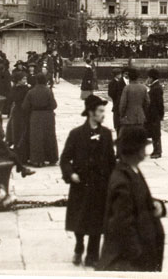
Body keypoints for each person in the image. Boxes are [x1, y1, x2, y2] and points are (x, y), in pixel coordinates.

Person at [97, 127, 166, 272]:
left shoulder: (132, 170)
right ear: (137, 150)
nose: (145, 151)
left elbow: (139, 197)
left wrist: (157, 204)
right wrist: (139, 255)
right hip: (130, 261)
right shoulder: (122, 180)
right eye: (144, 147)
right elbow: (122, 224)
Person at [60, 95, 116, 268]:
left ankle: (92, 255)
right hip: (81, 184)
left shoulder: (106, 134)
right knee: (80, 219)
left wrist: (114, 181)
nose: (103, 115)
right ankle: (79, 246)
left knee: (97, 221)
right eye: (100, 111)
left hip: (100, 185)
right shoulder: (76, 134)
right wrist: (71, 174)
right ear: (91, 113)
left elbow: (111, 160)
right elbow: (65, 159)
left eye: (104, 111)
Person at [22, 73, 59, 167]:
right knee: (49, 136)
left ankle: (37, 160)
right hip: (48, 116)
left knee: (36, 138)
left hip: (35, 116)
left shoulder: (31, 92)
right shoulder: (48, 91)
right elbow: (54, 105)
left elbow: (25, 106)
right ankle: (51, 158)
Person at [5, 72, 31, 163]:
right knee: (21, 133)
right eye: (23, 79)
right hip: (22, 113)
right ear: (19, 80)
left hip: (18, 112)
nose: (25, 80)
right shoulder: (26, 89)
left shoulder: (15, 89)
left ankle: (19, 155)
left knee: (18, 133)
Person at [145, 68, 164, 158]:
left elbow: (159, 103)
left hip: (154, 114)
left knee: (155, 133)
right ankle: (156, 150)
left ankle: (158, 151)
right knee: (154, 132)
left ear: (151, 78)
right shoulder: (155, 87)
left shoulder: (156, 88)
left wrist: (160, 114)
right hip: (154, 114)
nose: (147, 79)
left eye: (148, 77)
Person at [107, 68, 125, 135]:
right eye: (119, 74)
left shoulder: (121, 82)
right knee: (117, 119)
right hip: (116, 102)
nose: (120, 75)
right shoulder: (112, 83)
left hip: (120, 101)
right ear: (116, 75)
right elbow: (110, 93)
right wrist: (116, 97)